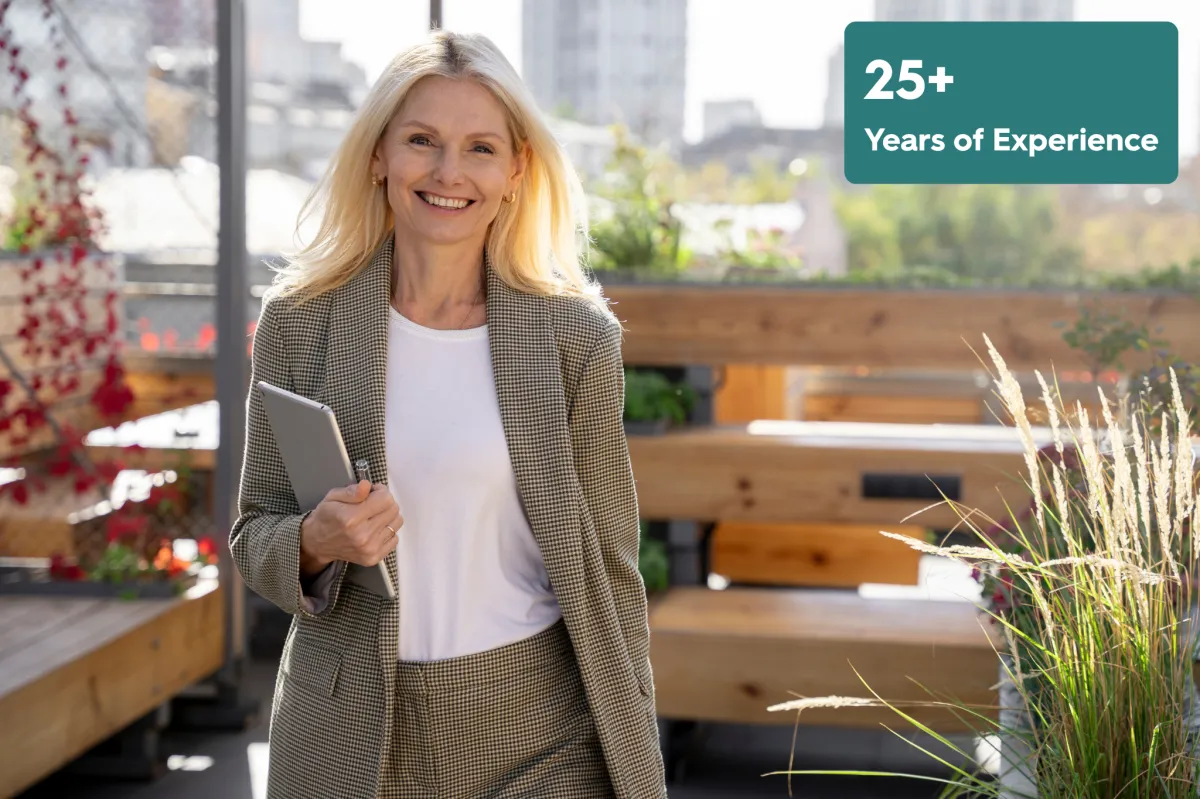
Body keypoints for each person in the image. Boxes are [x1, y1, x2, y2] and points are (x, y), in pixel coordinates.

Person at [229, 29, 666, 799]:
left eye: (480, 148)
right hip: (349, 727)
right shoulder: (302, 322)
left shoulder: (577, 341)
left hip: (539, 726)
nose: (447, 172)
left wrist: (637, 754)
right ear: (379, 156)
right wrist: (310, 541)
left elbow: (610, 569)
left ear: (516, 171)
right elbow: (251, 533)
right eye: (422, 141)